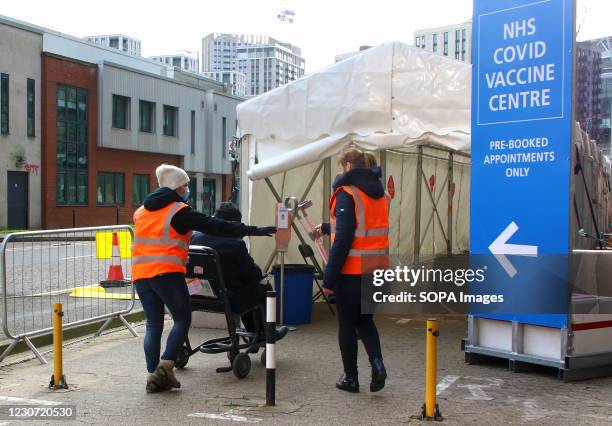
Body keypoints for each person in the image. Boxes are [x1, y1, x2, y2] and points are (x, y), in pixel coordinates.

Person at [132, 164, 276, 393]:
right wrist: (252, 230)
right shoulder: (178, 211)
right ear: (177, 187)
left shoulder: (141, 211)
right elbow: (214, 225)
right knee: (182, 320)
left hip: (141, 275)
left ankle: (154, 374)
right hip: (167, 273)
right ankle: (165, 365)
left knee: (153, 324)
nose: (187, 190)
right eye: (186, 185)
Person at [314, 147, 390, 393]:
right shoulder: (380, 193)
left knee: (347, 324)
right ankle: (377, 364)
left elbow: (345, 237)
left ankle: (351, 378)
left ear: (347, 166)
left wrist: (329, 278)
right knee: (366, 320)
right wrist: (328, 226)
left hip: (353, 272)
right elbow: (363, 226)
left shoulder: (347, 193)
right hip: (377, 268)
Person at [190, 202, 288, 341]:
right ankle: (266, 333)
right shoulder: (235, 244)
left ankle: (256, 332)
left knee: (245, 288)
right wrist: (261, 275)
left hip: (198, 295)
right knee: (263, 288)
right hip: (228, 299)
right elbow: (253, 274)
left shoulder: (195, 238)